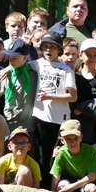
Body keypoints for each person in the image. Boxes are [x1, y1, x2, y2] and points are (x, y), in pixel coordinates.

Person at [27, 32, 77, 177]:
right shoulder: (38, 63)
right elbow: (20, 64)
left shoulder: (66, 69)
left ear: (59, 50)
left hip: (59, 120)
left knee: (55, 155)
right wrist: (3, 70)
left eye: (53, 47)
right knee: (40, 155)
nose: (49, 50)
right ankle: (41, 186)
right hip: (40, 117)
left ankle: (54, 186)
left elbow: (73, 97)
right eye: (46, 47)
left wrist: (49, 96)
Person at [50, 119, 96, 192]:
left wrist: (72, 187)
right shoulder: (61, 153)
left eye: (75, 138)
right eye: (68, 139)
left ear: (81, 138)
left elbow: (92, 176)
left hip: (86, 182)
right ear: (62, 140)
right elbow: (56, 177)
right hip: (69, 180)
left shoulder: (90, 150)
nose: (73, 142)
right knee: (61, 186)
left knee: (92, 190)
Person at [0, 39, 37, 130]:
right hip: (9, 120)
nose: (11, 61)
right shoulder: (8, 73)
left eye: (14, 58)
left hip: (28, 123)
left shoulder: (34, 73)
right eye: (9, 58)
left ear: (25, 58)